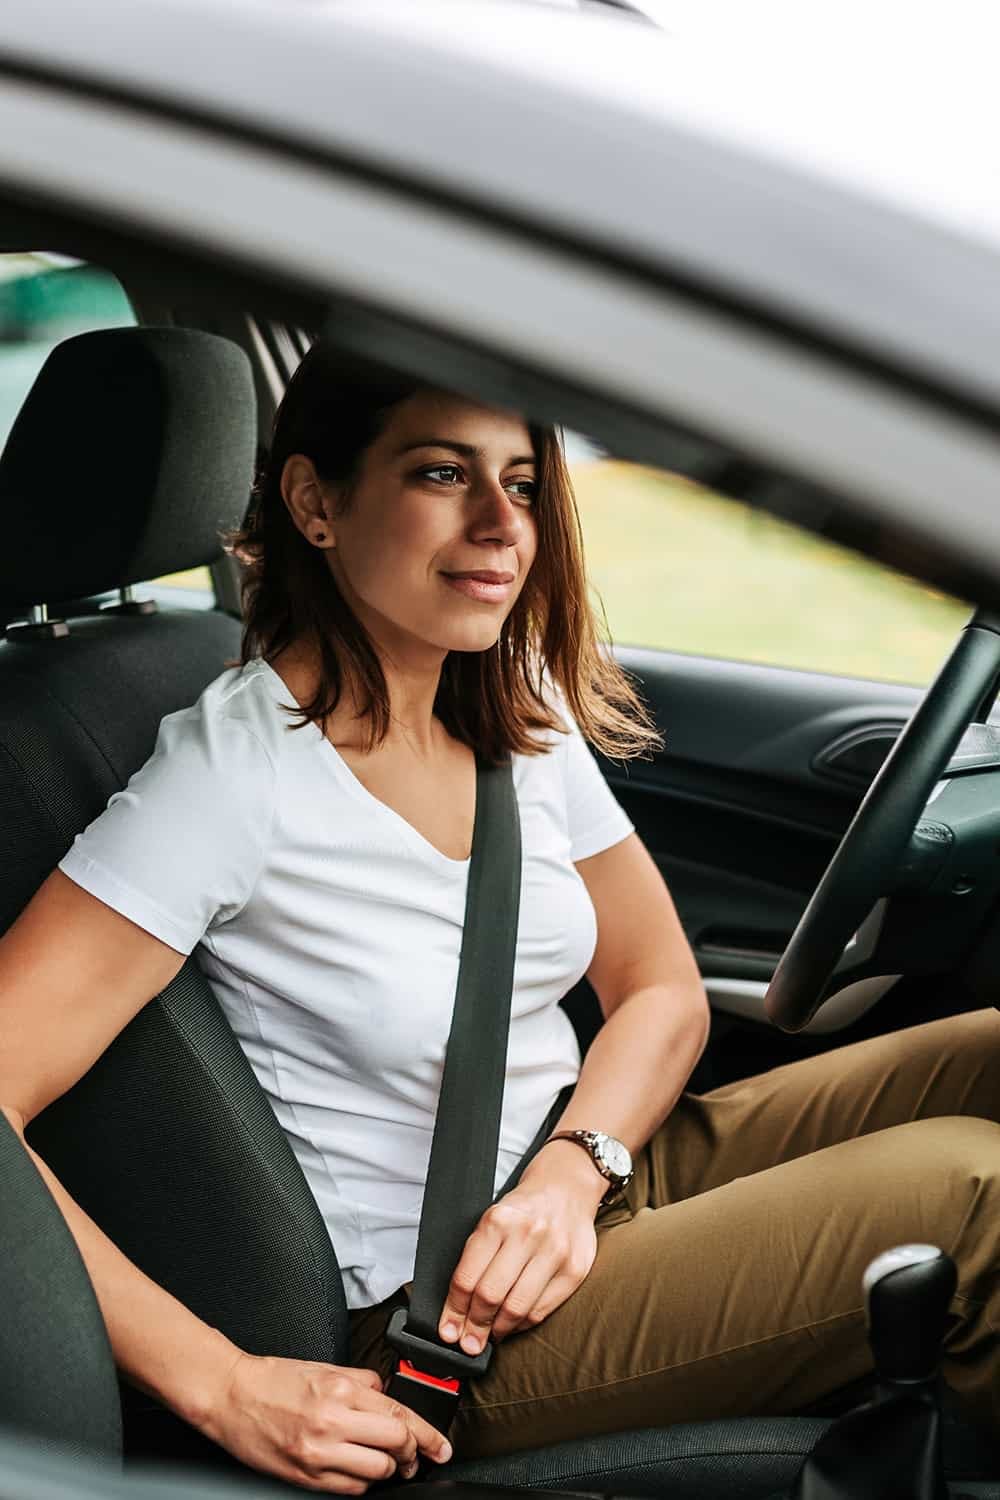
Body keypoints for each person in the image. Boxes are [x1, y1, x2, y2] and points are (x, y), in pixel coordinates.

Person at [3, 342, 1000, 1495]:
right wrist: (223, 1383)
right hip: (443, 1317)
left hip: (584, 1179)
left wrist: (572, 1176)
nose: (500, 525)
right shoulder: (235, 772)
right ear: (316, 503)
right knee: (970, 1197)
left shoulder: (509, 702)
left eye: (521, 483)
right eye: (441, 474)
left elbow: (660, 986)